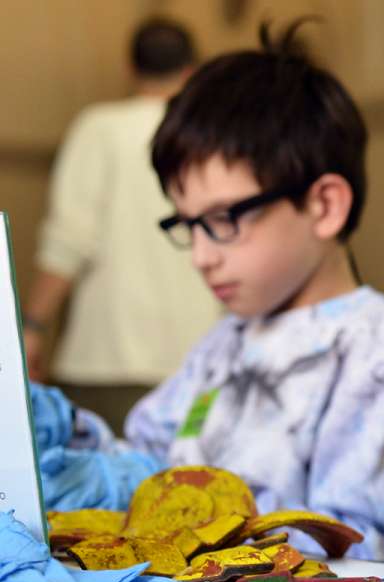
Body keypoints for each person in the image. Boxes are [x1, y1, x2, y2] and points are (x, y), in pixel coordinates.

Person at [36, 20, 384, 562]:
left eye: (223, 219)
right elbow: (150, 467)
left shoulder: (376, 349)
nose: (202, 255)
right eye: (188, 225)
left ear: (323, 206)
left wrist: (208, 526)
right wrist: (59, 434)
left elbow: (365, 551)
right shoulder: (224, 343)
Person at [22, 18, 223, 432]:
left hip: (105, 361)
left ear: (131, 69)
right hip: (199, 367)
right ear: (192, 71)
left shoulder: (99, 128)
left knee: (105, 487)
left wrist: (33, 327)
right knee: (195, 484)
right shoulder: (213, 136)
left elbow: (69, 240)